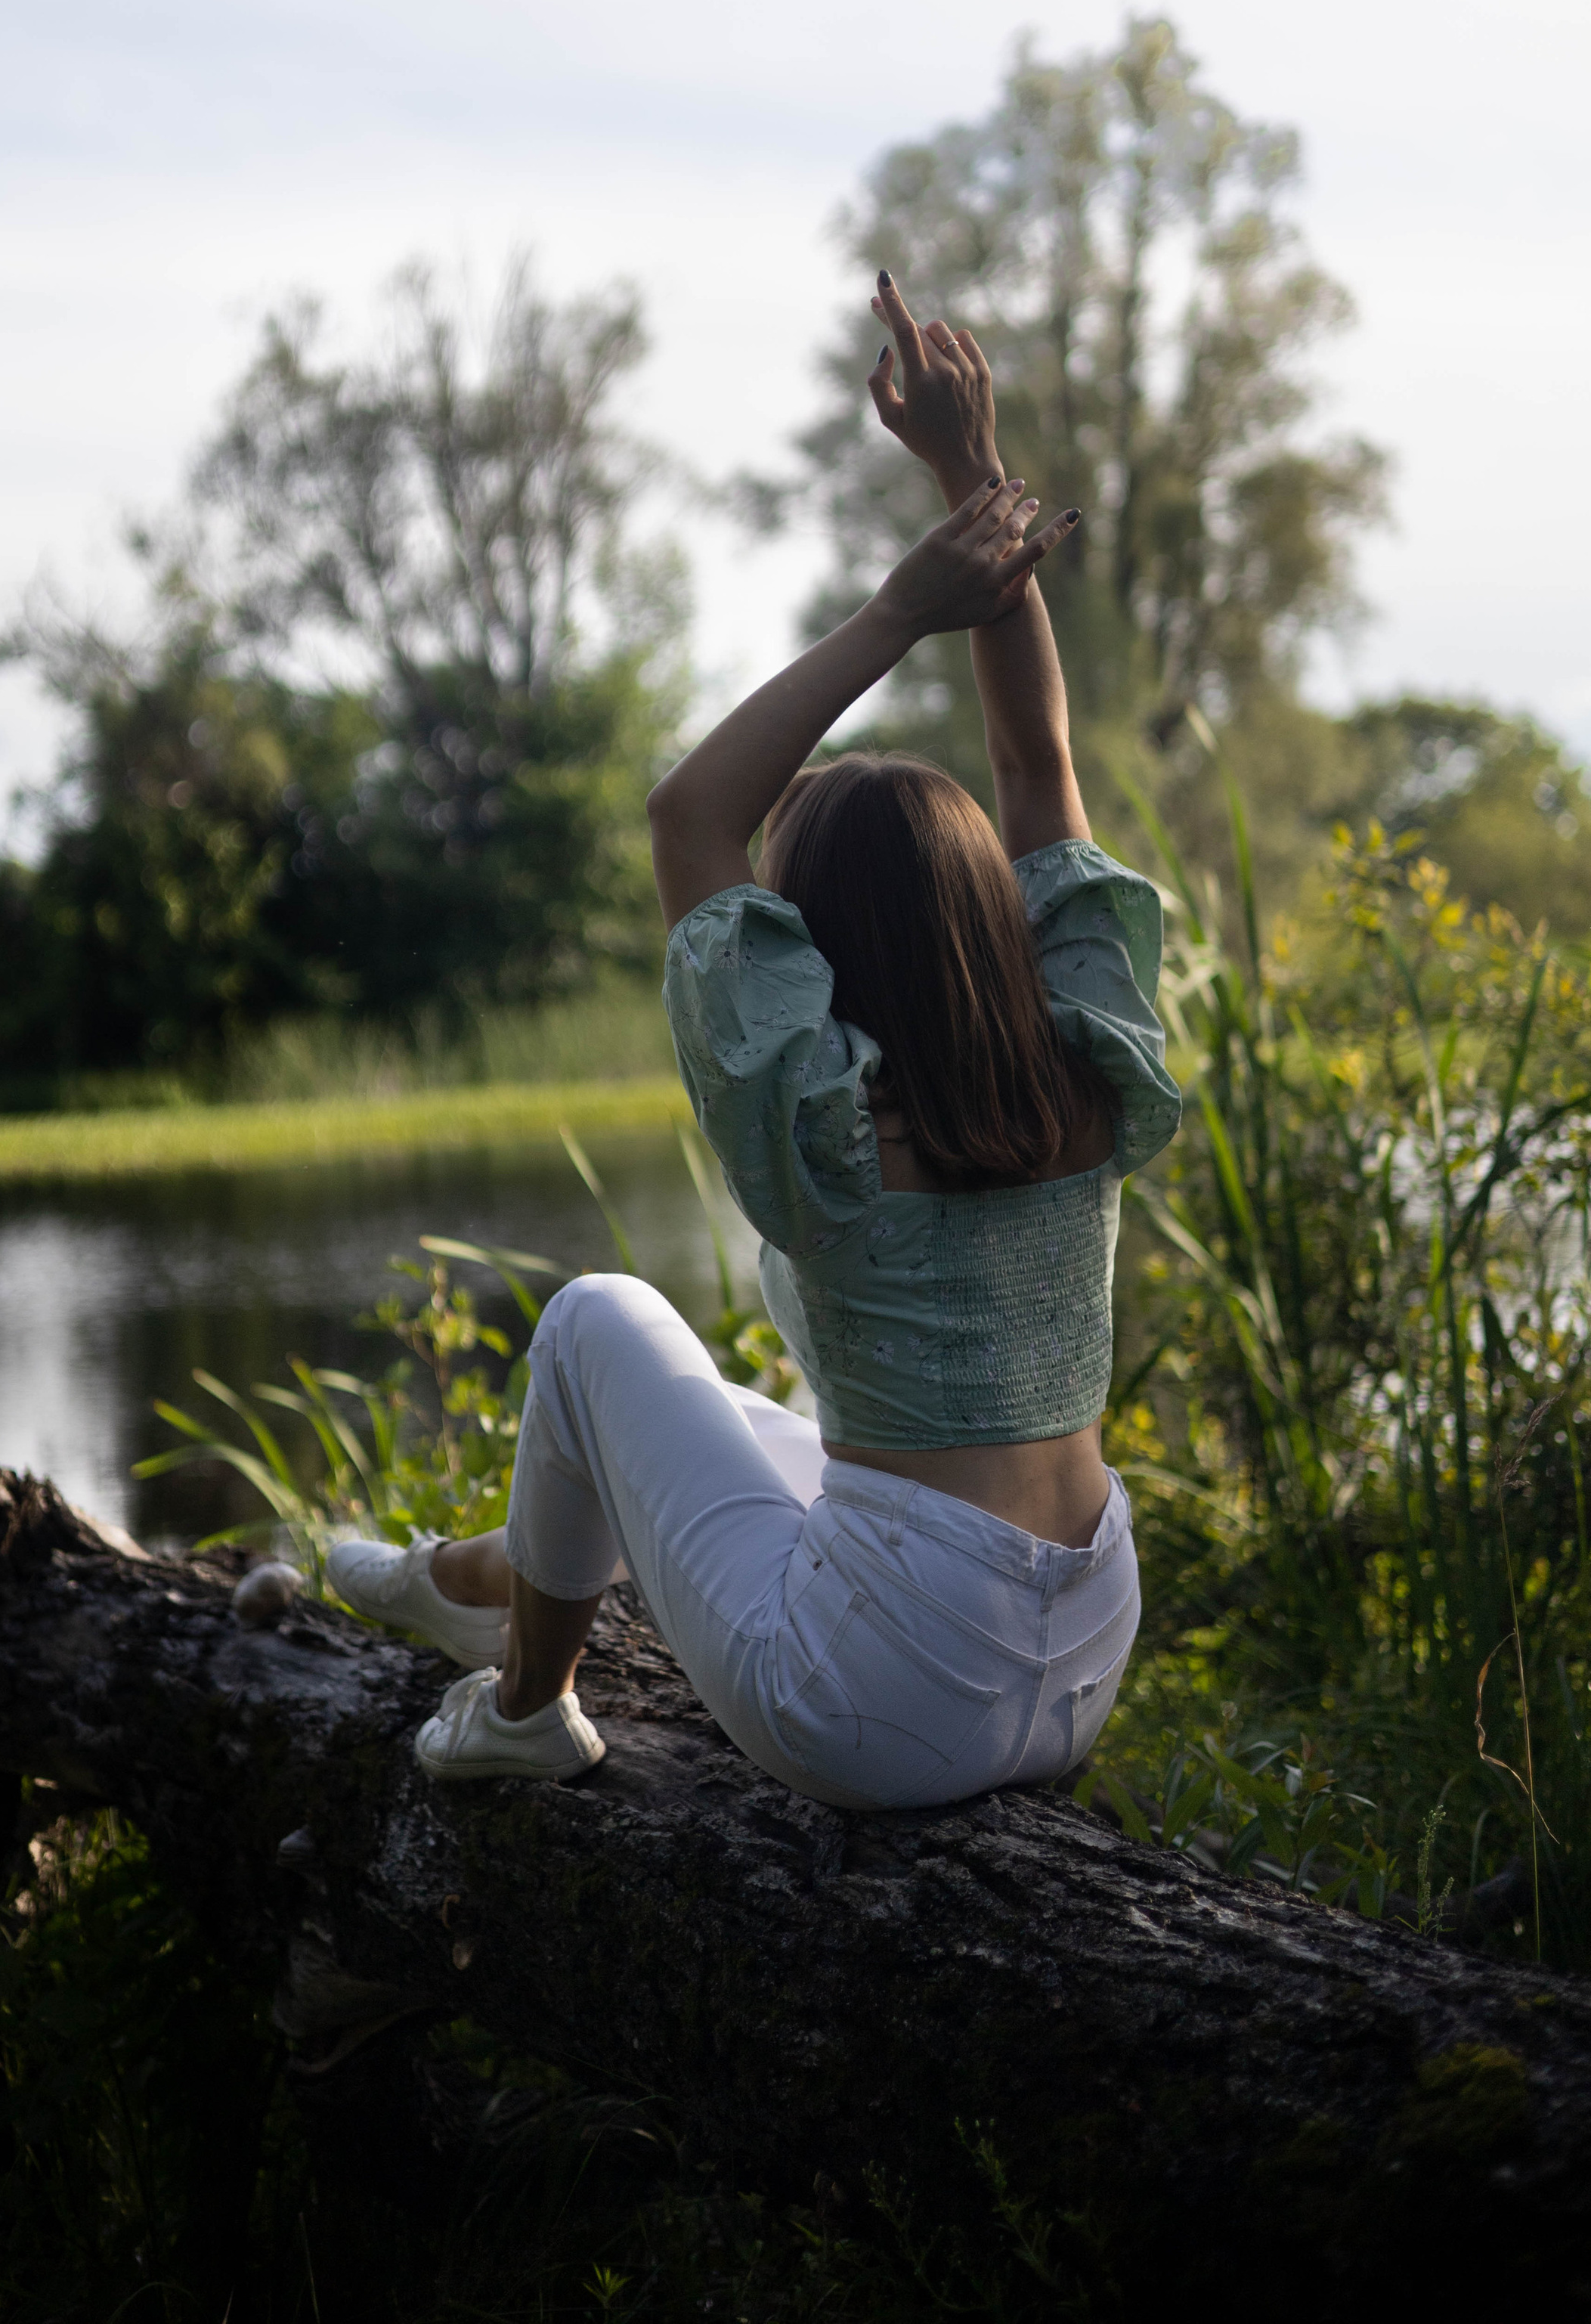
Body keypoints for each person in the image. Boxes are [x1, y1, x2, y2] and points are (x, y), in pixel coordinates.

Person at [327, 273, 1180, 1808]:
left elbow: (686, 815)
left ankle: (522, 1710)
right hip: (1082, 1665)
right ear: (992, 915)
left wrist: (900, 609)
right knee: (749, 1423)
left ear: (823, 946)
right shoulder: (1084, 1075)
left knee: (592, 1321)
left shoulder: (828, 1135)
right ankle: (467, 1575)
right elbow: (1036, 758)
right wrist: (971, 483)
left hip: (885, 1703)